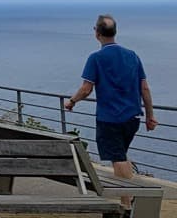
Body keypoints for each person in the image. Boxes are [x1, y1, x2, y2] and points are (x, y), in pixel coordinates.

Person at [64, 14, 159, 204]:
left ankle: (127, 202)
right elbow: (145, 88)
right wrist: (150, 116)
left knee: (118, 158)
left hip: (110, 118)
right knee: (121, 154)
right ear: (115, 32)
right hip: (133, 118)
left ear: (96, 33)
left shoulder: (96, 58)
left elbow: (86, 89)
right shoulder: (132, 55)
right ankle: (128, 193)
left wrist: (72, 102)